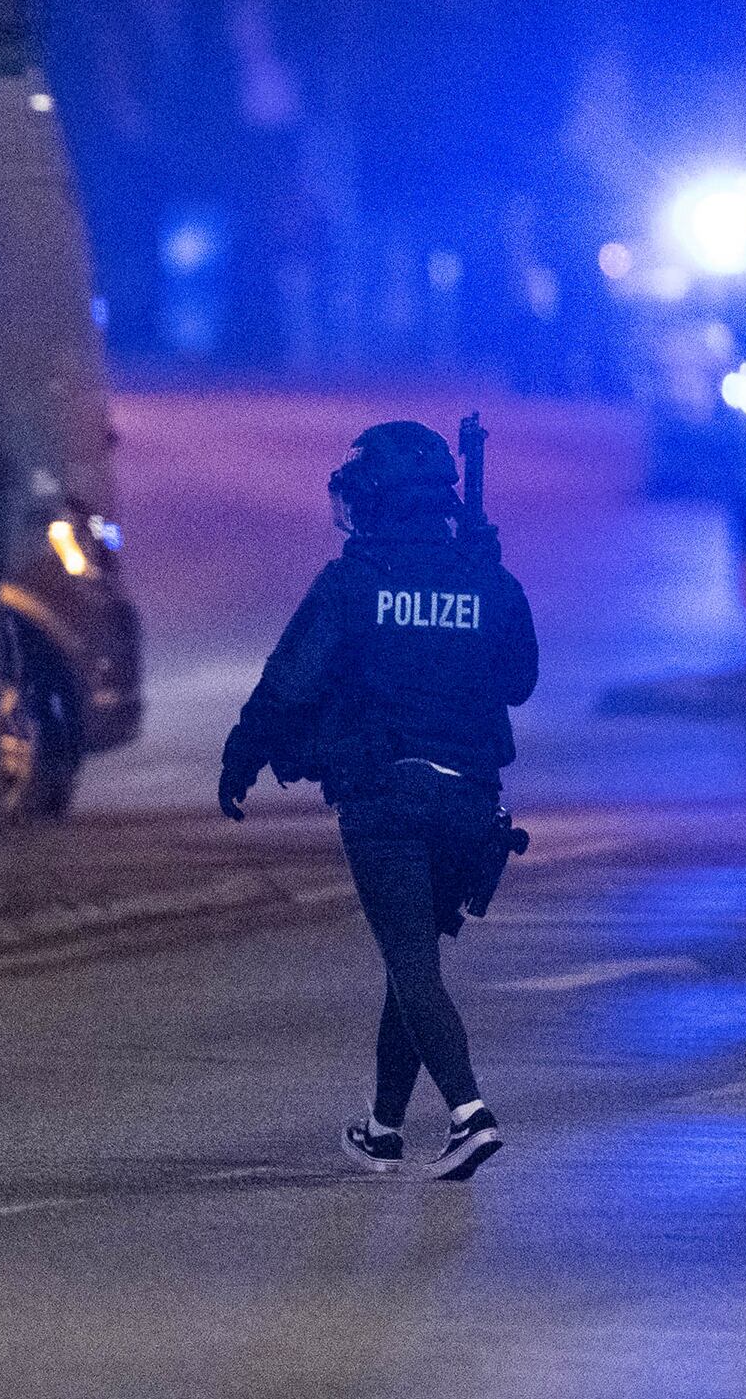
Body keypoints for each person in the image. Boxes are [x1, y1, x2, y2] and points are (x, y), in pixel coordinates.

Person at [218, 421, 536, 1182]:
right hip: (469, 804)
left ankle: (470, 1114)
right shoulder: (482, 574)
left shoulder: (353, 579)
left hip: (386, 799)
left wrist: (243, 752)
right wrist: (496, 581)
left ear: (380, 502)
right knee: (412, 962)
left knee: (411, 963)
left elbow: (291, 681)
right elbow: (519, 678)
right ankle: (383, 1128)